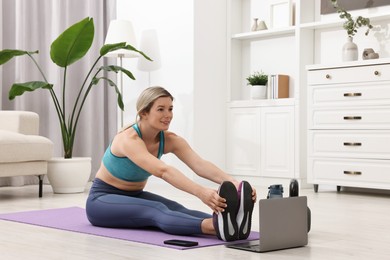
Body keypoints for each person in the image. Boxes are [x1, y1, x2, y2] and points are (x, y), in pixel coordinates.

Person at [86, 86, 257, 241]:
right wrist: (201, 192)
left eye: (170, 109)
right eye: (160, 109)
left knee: (177, 208)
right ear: (144, 112)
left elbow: (199, 164)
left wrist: (236, 184)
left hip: (134, 195)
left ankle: (229, 223)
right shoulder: (128, 140)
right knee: (157, 209)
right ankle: (214, 227)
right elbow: (163, 171)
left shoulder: (169, 139)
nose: (168, 115)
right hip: (101, 201)